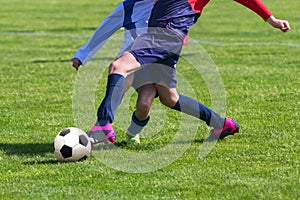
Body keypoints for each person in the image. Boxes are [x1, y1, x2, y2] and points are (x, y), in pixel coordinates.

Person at [75, 0, 290, 145]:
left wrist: (270, 18)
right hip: (168, 38)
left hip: (163, 34)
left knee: (118, 67)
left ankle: (103, 124)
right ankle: (222, 124)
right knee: (169, 98)